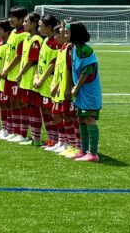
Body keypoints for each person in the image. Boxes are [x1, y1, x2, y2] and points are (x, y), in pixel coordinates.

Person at [0, 6, 29, 142]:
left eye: (13, 17)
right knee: (11, 103)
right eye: (10, 17)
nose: (10, 19)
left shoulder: (24, 35)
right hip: (8, 75)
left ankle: (22, 134)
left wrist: (6, 70)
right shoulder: (13, 32)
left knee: (20, 104)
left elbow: (19, 56)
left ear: (21, 19)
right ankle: (12, 130)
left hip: (17, 75)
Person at [68, 21, 103, 162]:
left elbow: (87, 71)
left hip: (88, 91)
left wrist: (76, 87)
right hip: (81, 91)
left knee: (89, 119)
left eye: (68, 32)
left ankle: (93, 154)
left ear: (75, 34)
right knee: (81, 119)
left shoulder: (86, 50)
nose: (65, 34)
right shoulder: (74, 48)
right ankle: (83, 150)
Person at [49, 21, 79, 157]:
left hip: (68, 90)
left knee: (71, 117)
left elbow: (69, 70)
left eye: (60, 33)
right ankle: (66, 143)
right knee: (62, 115)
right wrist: (55, 85)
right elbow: (60, 70)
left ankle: (76, 146)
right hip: (60, 89)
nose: (57, 36)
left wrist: (68, 88)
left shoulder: (70, 48)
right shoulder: (61, 49)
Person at [32, 15, 61, 151]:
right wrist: (36, 77)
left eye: (41, 26)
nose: (39, 28)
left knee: (52, 113)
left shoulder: (55, 43)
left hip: (50, 83)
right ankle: (51, 139)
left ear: (49, 27)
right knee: (45, 112)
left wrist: (42, 79)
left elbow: (53, 65)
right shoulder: (45, 41)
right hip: (41, 83)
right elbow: (40, 62)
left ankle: (57, 141)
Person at [15, 12, 43, 145]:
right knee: (27, 107)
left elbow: (32, 60)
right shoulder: (27, 38)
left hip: (31, 79)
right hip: (26, 80)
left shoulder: (36, 40)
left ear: (33, 24)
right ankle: (28, 136)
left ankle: (36, 139)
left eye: (26, 21)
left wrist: (20, 74)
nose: (24, 24)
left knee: (33, 108)